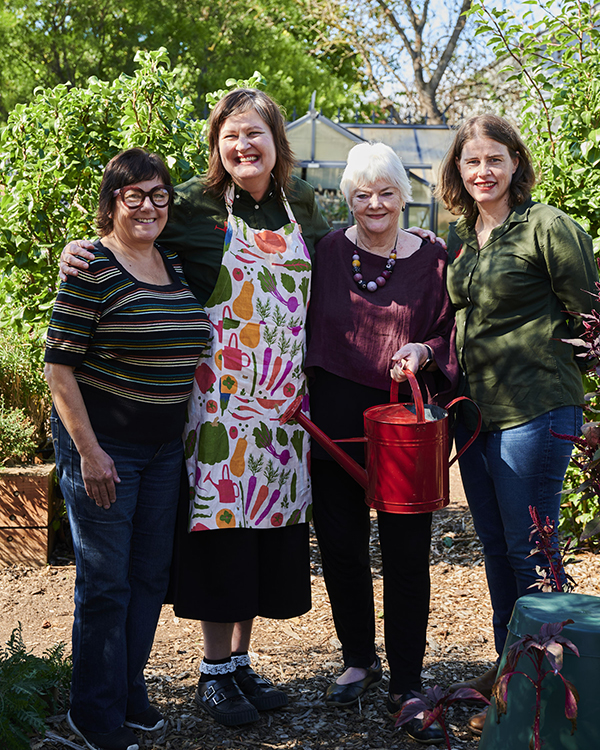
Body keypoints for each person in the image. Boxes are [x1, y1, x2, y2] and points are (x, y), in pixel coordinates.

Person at [435, 114, 599, 734]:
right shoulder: (462, 237)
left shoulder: (548, 226)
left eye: (494, 160)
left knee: (532, 548)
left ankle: (553, 687)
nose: (483, 171)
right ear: (458, 169)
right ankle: (513, 669)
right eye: (471, 161)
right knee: (500, 551)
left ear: (514, 164)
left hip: (537, 405)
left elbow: (591, 316)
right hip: (478, 414)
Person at [45, 148, 210, 750]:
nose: (146, 206)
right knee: (106, 581)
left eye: (158, 195)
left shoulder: (169, 262)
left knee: (148, 575)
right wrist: (89, 453)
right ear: (112, 202)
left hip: (163, 449)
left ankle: (125, 685)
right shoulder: (91, 268)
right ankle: (91, 713)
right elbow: (59, 370)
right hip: (104, 447)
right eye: (132, 195)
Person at [305, 142, 458, 745]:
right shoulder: (326, 251)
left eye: (387, 193)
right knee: (341, 544)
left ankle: (407, 676)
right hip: (337, 406)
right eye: (363, 194)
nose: (375, 204)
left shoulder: (433, 255)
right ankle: (357, 659)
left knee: (404, 548)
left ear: (404, 195)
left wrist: (422, 350)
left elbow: (447, 328)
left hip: (401, 414)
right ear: (349, 198)